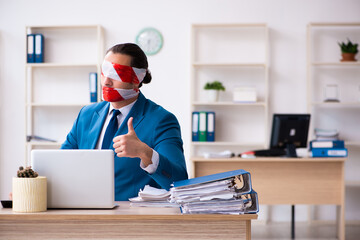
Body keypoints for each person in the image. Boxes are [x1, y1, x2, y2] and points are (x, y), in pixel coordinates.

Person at [61, 43, 188, 201]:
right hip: (83, 212)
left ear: (136, 79)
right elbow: (62, 162)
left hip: (131, 220)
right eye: (104, 72)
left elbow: (179, 180)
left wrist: (146, 153)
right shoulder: (86, 115)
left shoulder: (161, 120)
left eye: (116, 74)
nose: (106, 81)